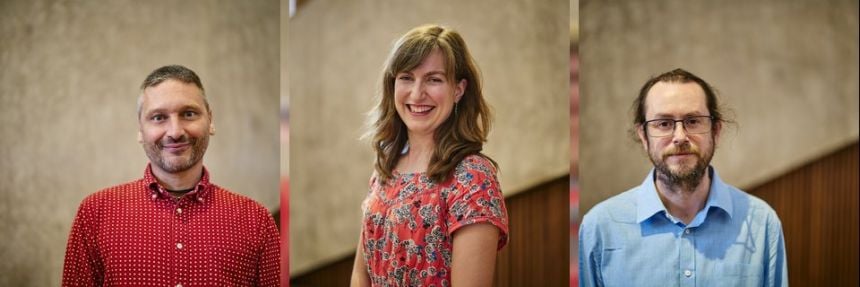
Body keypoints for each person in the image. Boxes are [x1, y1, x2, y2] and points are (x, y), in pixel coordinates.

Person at [62, 65, 280, 286]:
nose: (175, 131)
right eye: (158, 117)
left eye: (188, 114)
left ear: (210, 120)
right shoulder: (95, 213)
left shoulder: (256, 221)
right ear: (140, 129)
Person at [579, 69, 787, 286]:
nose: (680, 137)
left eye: (693, 121)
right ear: (643, 135)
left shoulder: (762, 222)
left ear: (715, 130)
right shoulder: (600, 227)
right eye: (664, 123)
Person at [351, 25, 509, 286]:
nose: (416, 94)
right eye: (406, 77)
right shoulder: (386, 168)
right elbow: (360, 274)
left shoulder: (473, 179)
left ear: (458, 89)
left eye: (434, 79)